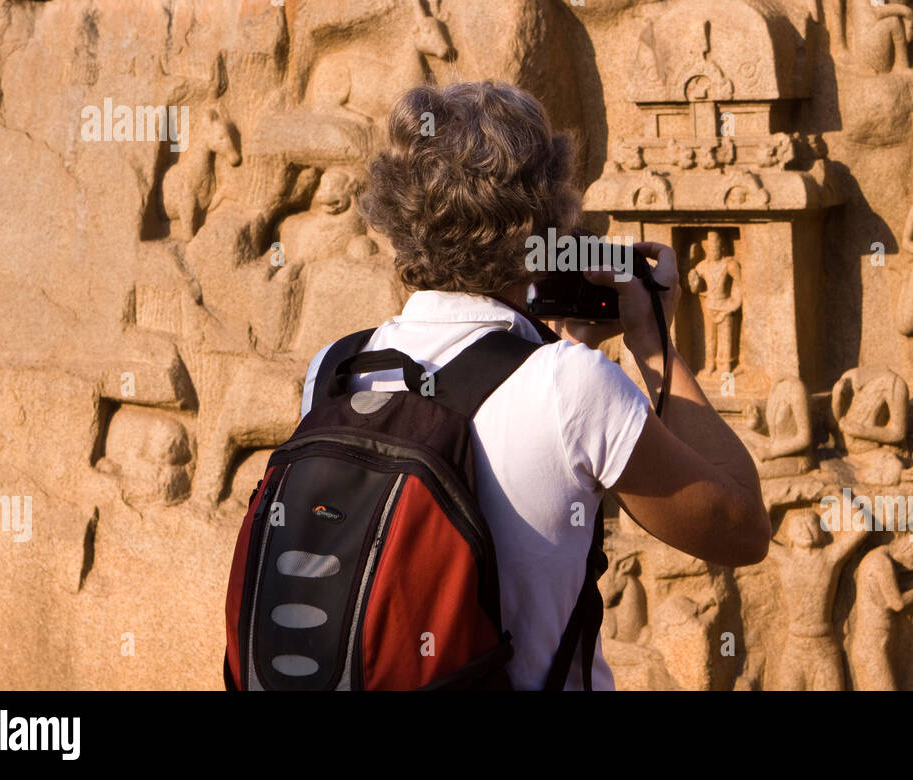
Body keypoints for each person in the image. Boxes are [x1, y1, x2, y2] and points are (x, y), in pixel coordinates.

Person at [299, 80, 770, 690]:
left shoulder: (335, 367)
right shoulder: (570, 387)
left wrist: (557, 349)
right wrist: (653, 343)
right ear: (544, 226)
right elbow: (740, 528)